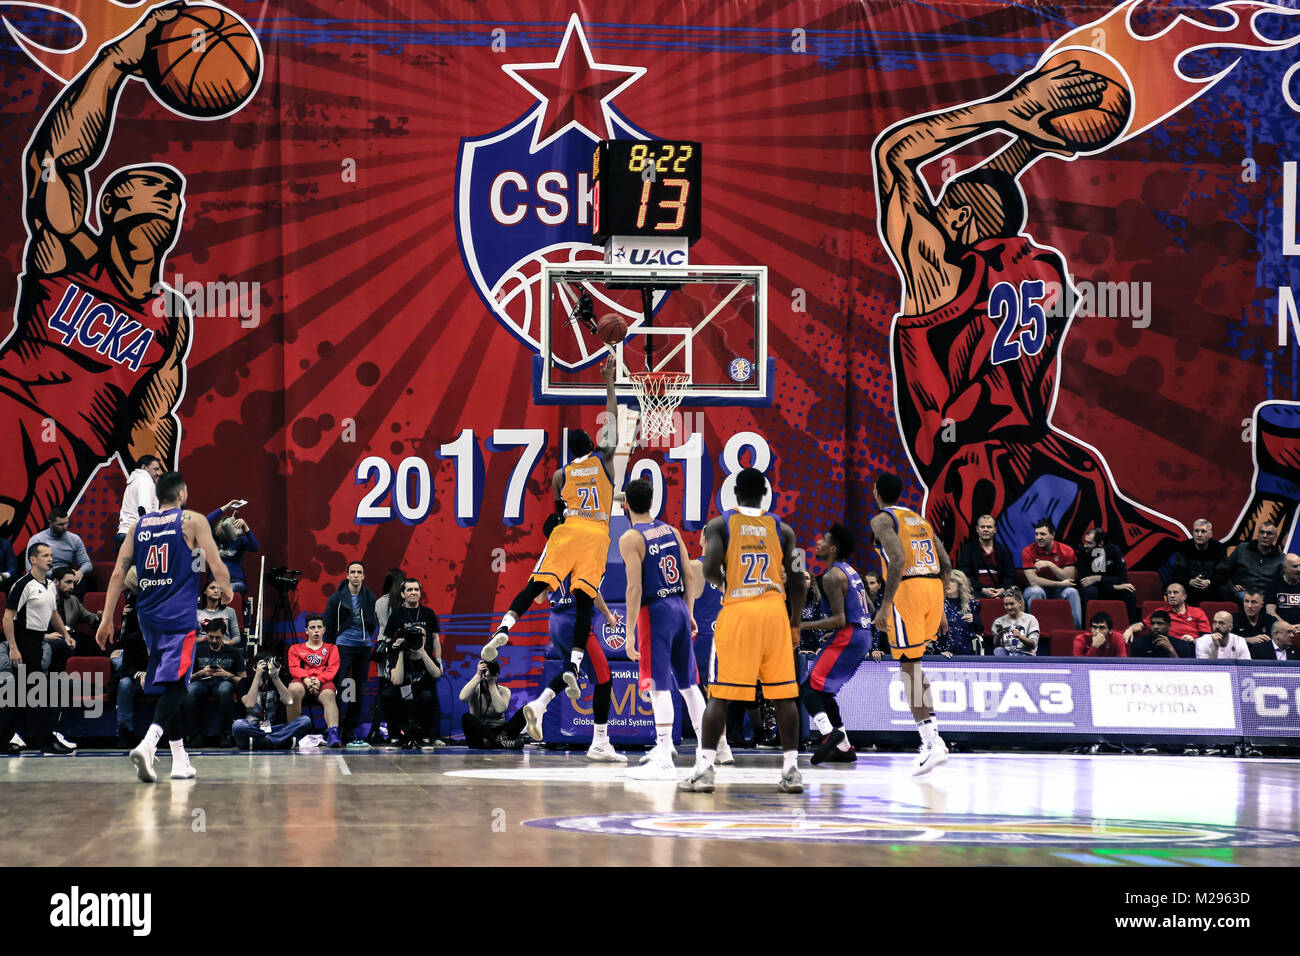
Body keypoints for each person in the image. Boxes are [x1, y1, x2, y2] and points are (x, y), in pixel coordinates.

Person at [872, 59, 1186, 569]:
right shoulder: (1048, 269)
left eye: (945, 206)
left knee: (965, 596)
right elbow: (991, 190)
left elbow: (894, 155)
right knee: (1119, 569)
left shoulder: (943, 275)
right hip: (1058, 462)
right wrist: (1031, 137)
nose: (936, 213)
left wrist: (1009, 108)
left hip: (973, 471)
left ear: (966, 217)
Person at [0, 3, 191, 547]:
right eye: (151, 184)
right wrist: (117, 60)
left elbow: (149, 420)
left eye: (173, 194)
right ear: (109, 204)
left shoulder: (169, 315)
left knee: (20, 560)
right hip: (12, 405)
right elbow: (54, 164)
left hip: (75, 453)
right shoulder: (70, 254)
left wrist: (163, 494)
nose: (168, 194)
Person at [484, 360, 629, 762]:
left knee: (535, 585)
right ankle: (597, 735)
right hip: (593, 542)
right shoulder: (604, 462)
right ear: (594, 448)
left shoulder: (560, 477)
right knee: (602, 673)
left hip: (559, 580)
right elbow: (613, 425)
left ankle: (507, 630)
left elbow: (558, 515)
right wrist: (609, 384)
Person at [96, 470, 231, 782]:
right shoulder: (192, 520)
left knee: (170, 685)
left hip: (147, 616)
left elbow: (118, 574)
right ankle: (148, 745)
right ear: (181, 494)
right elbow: (216, 564)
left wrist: (106, 619)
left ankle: (180, 760)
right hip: (179, 617)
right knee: (178, 684)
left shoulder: (138, 525)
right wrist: (226, 587)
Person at [681, 468, 806, 793]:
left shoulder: (721, 524)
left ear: (735, 493)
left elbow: (708, 568)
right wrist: (794, 623)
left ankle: (706, 769)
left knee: (720, 693)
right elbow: (797, 578)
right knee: (784, 694)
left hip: (739, 609)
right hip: (775, 612)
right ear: (765, 493)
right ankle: (791, 770)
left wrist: (725, 583)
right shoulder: (785, 530)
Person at [516, 514, 625, 761]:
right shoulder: (580, 549)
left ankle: (539, 705)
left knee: (571, 671)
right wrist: (606, 613)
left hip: (556, 621)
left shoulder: (554, 555)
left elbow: (539, 598)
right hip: (576, 622)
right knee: (604, 678)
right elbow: (590, 589)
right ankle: (600, 742)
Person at [620, 479, 707, 780]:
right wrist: (690, 613)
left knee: (658, 686)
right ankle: (704, 755)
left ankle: (665, 755)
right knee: (689, 685)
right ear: (652, 501)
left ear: (626, 505)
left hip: (654, 612)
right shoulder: (671, 530)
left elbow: (634, 588)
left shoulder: (630, 538)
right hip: (679, 608)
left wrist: (629, 632)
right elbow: (690, 576)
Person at [868, 473, 952, 774]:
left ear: (876, 492)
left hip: (909, 592)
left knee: (908, 670)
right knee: (915, 667)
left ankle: (931, 743)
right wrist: (940, 607)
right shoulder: (919, 519)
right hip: (933, 590)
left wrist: (887, 603)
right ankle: (934, 739)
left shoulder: (881, 520)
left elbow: (898, 560)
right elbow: (946, 562)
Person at [796, 524, 872, 765]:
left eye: (824, 540)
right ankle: (844, 748)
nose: (818, 543)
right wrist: (844, 629)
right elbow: (868, 608)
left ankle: (829, 733)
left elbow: (839, 618)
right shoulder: (850, 571)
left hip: (850, 635)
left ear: (833, 548)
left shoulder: (831, 576)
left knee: (808, 689)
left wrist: (800, 626)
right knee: (825, 693)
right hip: (860, 634)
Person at [0, 542, 75, 753]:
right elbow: (7, 618)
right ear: (33, 559)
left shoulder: (50, 585)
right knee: (35, 692)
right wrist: (13, 647)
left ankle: (3, 740)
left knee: (20, 696)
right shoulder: (23, 584)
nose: (50, 559)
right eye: (45, 555)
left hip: (37, 642)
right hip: (23, 641)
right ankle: (47, 741)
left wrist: (66, 634)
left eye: (51, 555)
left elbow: (53, 613)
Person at [323, 560, 379, 746]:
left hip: (362, 647)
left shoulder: (369, 597)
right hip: (342, 647)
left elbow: (373, 621)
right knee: (341, 687)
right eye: (352, 572)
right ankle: (334, 729)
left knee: (357, 689)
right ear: (347, 575)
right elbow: (328, 625)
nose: (356, 575)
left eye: (359, 572)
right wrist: (331, 648)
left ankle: (349, 729)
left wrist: (366, 637)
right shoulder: (336, 598)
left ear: (364, 576)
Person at [376, 619, 443, 749]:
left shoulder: (428, 656)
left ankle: (423, 736)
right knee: (386, 695)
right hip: (401, 702)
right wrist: (401, 651)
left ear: (426, 639)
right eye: (414, 634)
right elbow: (396, 681)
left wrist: (421, 651)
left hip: (421, 701)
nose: (418, 637)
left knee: (428, 695)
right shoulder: (398, 654)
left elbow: (436, 674)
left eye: (422, 635)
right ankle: (396, 736)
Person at [184, 619, 245, 748]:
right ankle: (194, 735)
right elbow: (185, 678)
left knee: (224, 689)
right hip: (201, 682)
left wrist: (227, 674)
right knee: (190, 691)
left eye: (218, 637)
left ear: (224, 635)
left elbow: (243, 680)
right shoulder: (197, 650)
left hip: (223, 682)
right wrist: (200, 673)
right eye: (210, 637)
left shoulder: (234, 652)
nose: (214, 641)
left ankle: (226, 734)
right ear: (206, 635)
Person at [232, 655, 311, 750]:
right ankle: (280, 741)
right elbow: (249, 704)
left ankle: (264, 742)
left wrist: (275, 677)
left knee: (305, 721)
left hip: (275, 728)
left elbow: (289, 701)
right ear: (254, 667)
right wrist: (257, 676)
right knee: (238, 725)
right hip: (252, 728)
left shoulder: (279, 680)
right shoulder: (245, 682)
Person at [287, 614, 342, 746]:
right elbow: (294, 668)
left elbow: (332, 669)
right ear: (306, 631)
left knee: (329, 694)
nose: (316, 630)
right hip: (302, 682)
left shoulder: (332, 648)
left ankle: (333, 734)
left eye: (319, 627)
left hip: (323, 683)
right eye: (312, 627)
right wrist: (306, 679)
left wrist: (319, 680)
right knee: (293, 689)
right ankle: (293, 734)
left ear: (324, 629)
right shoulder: (295, 648)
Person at [1021, 518, 1081, 628]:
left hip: (1058, 592)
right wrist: (1060, 584)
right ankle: (1034, 632)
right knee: (1037, 591)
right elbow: (1033, 581)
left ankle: (1075, 632)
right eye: (1036, 534)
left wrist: (1050, 564)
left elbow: (1069, 577)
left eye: (1043, 534)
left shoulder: (1066, 550)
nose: (1039, 537)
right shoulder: (1027, 551)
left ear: (1052, 535)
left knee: (1072, 592)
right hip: (1036, 589)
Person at [1121, 582, 1207, 658]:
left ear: (1184, 596)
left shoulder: (1198, 612)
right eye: (1169, 593)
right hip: (1163, 645)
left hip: (1190, 647)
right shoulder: (1160, 612)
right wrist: (1130, 629)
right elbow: (1141, 625)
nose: (1172, 595)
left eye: (1175, 592)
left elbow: (1206, 637)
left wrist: (1194, 640)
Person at [460, 659, 529, 749]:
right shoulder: (475, 690)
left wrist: (491, 683)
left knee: (526, 710)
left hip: (502, 732)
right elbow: (462, 698)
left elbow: (499, 709)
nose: (489, 675)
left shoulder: (504, 691)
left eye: (493, 673)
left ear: (497, 675)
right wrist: (477, 675)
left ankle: (497, 742)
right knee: (466, 718)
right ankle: (499, 742)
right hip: (480, 734)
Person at [24, 507, 93, 597]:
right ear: (50, 523)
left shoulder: (74, 539)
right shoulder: (37, 539)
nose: (65, 527)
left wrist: (81, 572)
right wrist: (58, 575)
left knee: (84, 582)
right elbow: (30, 568)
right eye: (60, 524)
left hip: (67, 576)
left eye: (66, 523)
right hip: (45, 576)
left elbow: (87, 563)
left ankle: (74, 610)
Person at [1076, 527, 1138, 625]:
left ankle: (1129, 627)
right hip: (1096, 589)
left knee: (1129, 591)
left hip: (1109, 588)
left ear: (1100, 543)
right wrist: (1113, 585)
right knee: (1090, 590)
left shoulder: (1114, 550)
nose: (1085, 545)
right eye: (1085, 542)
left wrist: (1098, 578)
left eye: (1089, 543)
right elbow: (1085, 581)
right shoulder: (1082, 552)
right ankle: (1087, 626)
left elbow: (1122, 578)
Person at [1169, 518, 1231, 605]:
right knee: (1177, 588)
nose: (1199, 534)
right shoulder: (1184, 547)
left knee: (1224, 589)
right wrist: (1190, 581)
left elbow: (1223, 573)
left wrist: (1209, 582)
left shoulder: (1218, 548)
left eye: (1203, 531)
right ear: (1193, 533)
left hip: (1211, 586)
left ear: (1210, 534)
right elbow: (1177, 572)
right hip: (1190, 585)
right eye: (1196, 531)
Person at [955, 514, 1016, 600]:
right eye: (982, 527)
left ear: (995, 530)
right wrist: (982, 589)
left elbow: (1010, 575)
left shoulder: (1003, 551)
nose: (986, 530)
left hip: (999, 590)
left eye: (989, 527)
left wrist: (1002, 589)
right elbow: (965, 574)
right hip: (975, 591)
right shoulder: (968, 549)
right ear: (977, 529)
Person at [1218, 522, 1284, 600]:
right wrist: (1232, 585)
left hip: (1266, 595)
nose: (1265, 536)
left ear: (1275, 537)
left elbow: (1283, 583)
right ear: (1258, 534)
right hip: (1243, 592)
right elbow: (1223, 571)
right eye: (1262, 532)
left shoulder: (1281, 558)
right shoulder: (1242, 549)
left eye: (1269, 533)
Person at [53, 565, 101, 657]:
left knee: (94, 645)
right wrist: (46, 637)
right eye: (68, 582)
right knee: (65, 645)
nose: (72, 587)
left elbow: (90, 617)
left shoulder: (72, 600)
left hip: (69, 636)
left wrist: (99, 617)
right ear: (56, 582)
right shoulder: (42, 600)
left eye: (73, 583)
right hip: (50, 639)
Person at [932, 569, 982, 656]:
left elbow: (980, 630)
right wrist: (940, 651)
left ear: (960, 584)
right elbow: (932, 632)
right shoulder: (937, 604)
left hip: (966, 653)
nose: (947, 583)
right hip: (945, 653)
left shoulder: (972, 604)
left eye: (952, 581)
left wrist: (974, 619)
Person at [116, 456, 162, 548]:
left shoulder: (135, 480)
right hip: (136, 536)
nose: (158, 473)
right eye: (155, 469)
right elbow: (144, 510)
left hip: (124, 534)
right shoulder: (145, 480)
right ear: (144, 467)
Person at [212, 515, 259, 596]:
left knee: (230, 587)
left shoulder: (239, 540)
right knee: (213, 589)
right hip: (217, 580)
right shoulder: (215, 539)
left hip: (235, 581)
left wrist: (245, 527)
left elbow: (255, 547)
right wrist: (224, 508)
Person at [990, 588, 1039, 657]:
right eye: (1006, 604)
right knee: (998, 650)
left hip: (1025, 654)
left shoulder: (1031, 619)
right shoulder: (998, 621)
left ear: (1019, 603)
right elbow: (996, 646)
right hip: (1006, 655)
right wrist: (998, 637)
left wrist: (1020, 637)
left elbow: (1033, 644)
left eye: (1012, 604)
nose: (1009, 607)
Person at [1234, 588, 1279, 655]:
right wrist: (1248, 640)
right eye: (1246, 601)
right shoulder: (1234, 619)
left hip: (1264, 659)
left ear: (1261, 605)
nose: (1249, 606)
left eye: (1254, 602)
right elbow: (1226, 641)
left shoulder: (1271, 620)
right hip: (1240, 657)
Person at [197, 579, 242, 647]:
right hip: (203, 648)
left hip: (224, 648)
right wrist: (206, 639)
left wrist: (229, 643)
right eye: (212, 588)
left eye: (219, 588)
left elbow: (237, 637)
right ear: (205, 591)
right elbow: (190, 638)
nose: (216, 591)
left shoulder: (230, 611)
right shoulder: (197, 613)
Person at [1266, 554, 1300, 626]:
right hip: (1282, 630)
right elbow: (1270, 611)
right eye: (1295, 566)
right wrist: (1286, 626)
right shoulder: (1274, 584)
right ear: (1285, 568)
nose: (1299, 569)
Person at [374, 568, 406, 635]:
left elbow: (377, 622)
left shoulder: (379, 602)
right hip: (399, 641)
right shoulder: (405, 602)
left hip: (383, 640)